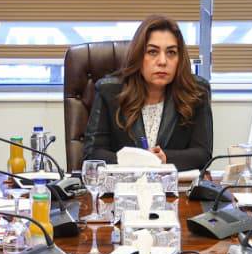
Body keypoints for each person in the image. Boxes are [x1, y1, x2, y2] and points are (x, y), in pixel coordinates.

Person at [81, 14, 214, 171]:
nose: (162, 61)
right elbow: (93, 153)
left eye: (171, 52)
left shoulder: (196, 92)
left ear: (180, 58)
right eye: (152, 52)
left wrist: (165, 158)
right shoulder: (109, 91)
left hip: (174, 185)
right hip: (123, 185)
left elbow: (202, 154)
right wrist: (135, 161)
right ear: (138, 55)